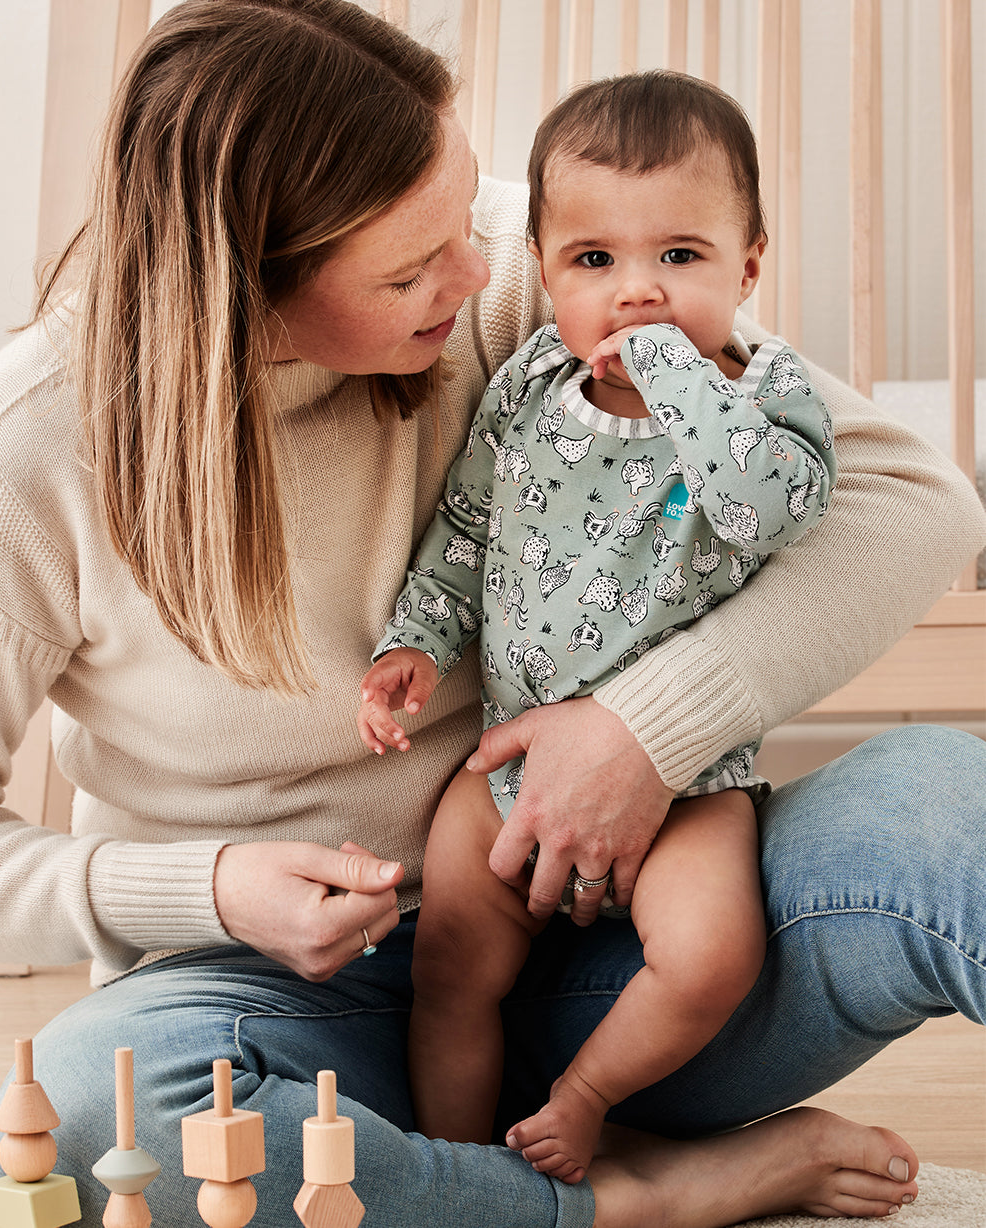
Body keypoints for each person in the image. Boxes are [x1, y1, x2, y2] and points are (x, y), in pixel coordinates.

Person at [0, 2, 982, 1225]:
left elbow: (912, 499)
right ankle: (635, 1196)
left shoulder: (543, 273)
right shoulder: (14, 466)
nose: (484, 271)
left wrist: (640, 730)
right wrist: (210, 889)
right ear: (245, 287)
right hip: (282, 1011)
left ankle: (503, 1175)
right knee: (96, 1115)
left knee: (946, 805)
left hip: (621, 947)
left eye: (468, 215)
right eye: (409, 269)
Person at [358, 70, 837, 1185]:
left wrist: (678, 374)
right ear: (542, 268)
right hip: (511, 761)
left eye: (678, 257)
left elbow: (757, 509)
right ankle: (461, 1169)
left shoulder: (766, 399)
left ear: (746, 266)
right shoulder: (527, 381)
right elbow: (466, 528)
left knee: (710, 956)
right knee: (448, 969)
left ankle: (583, 1100)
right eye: (593, 262)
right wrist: (414, 642)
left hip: (683, 782)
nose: (637, 295)